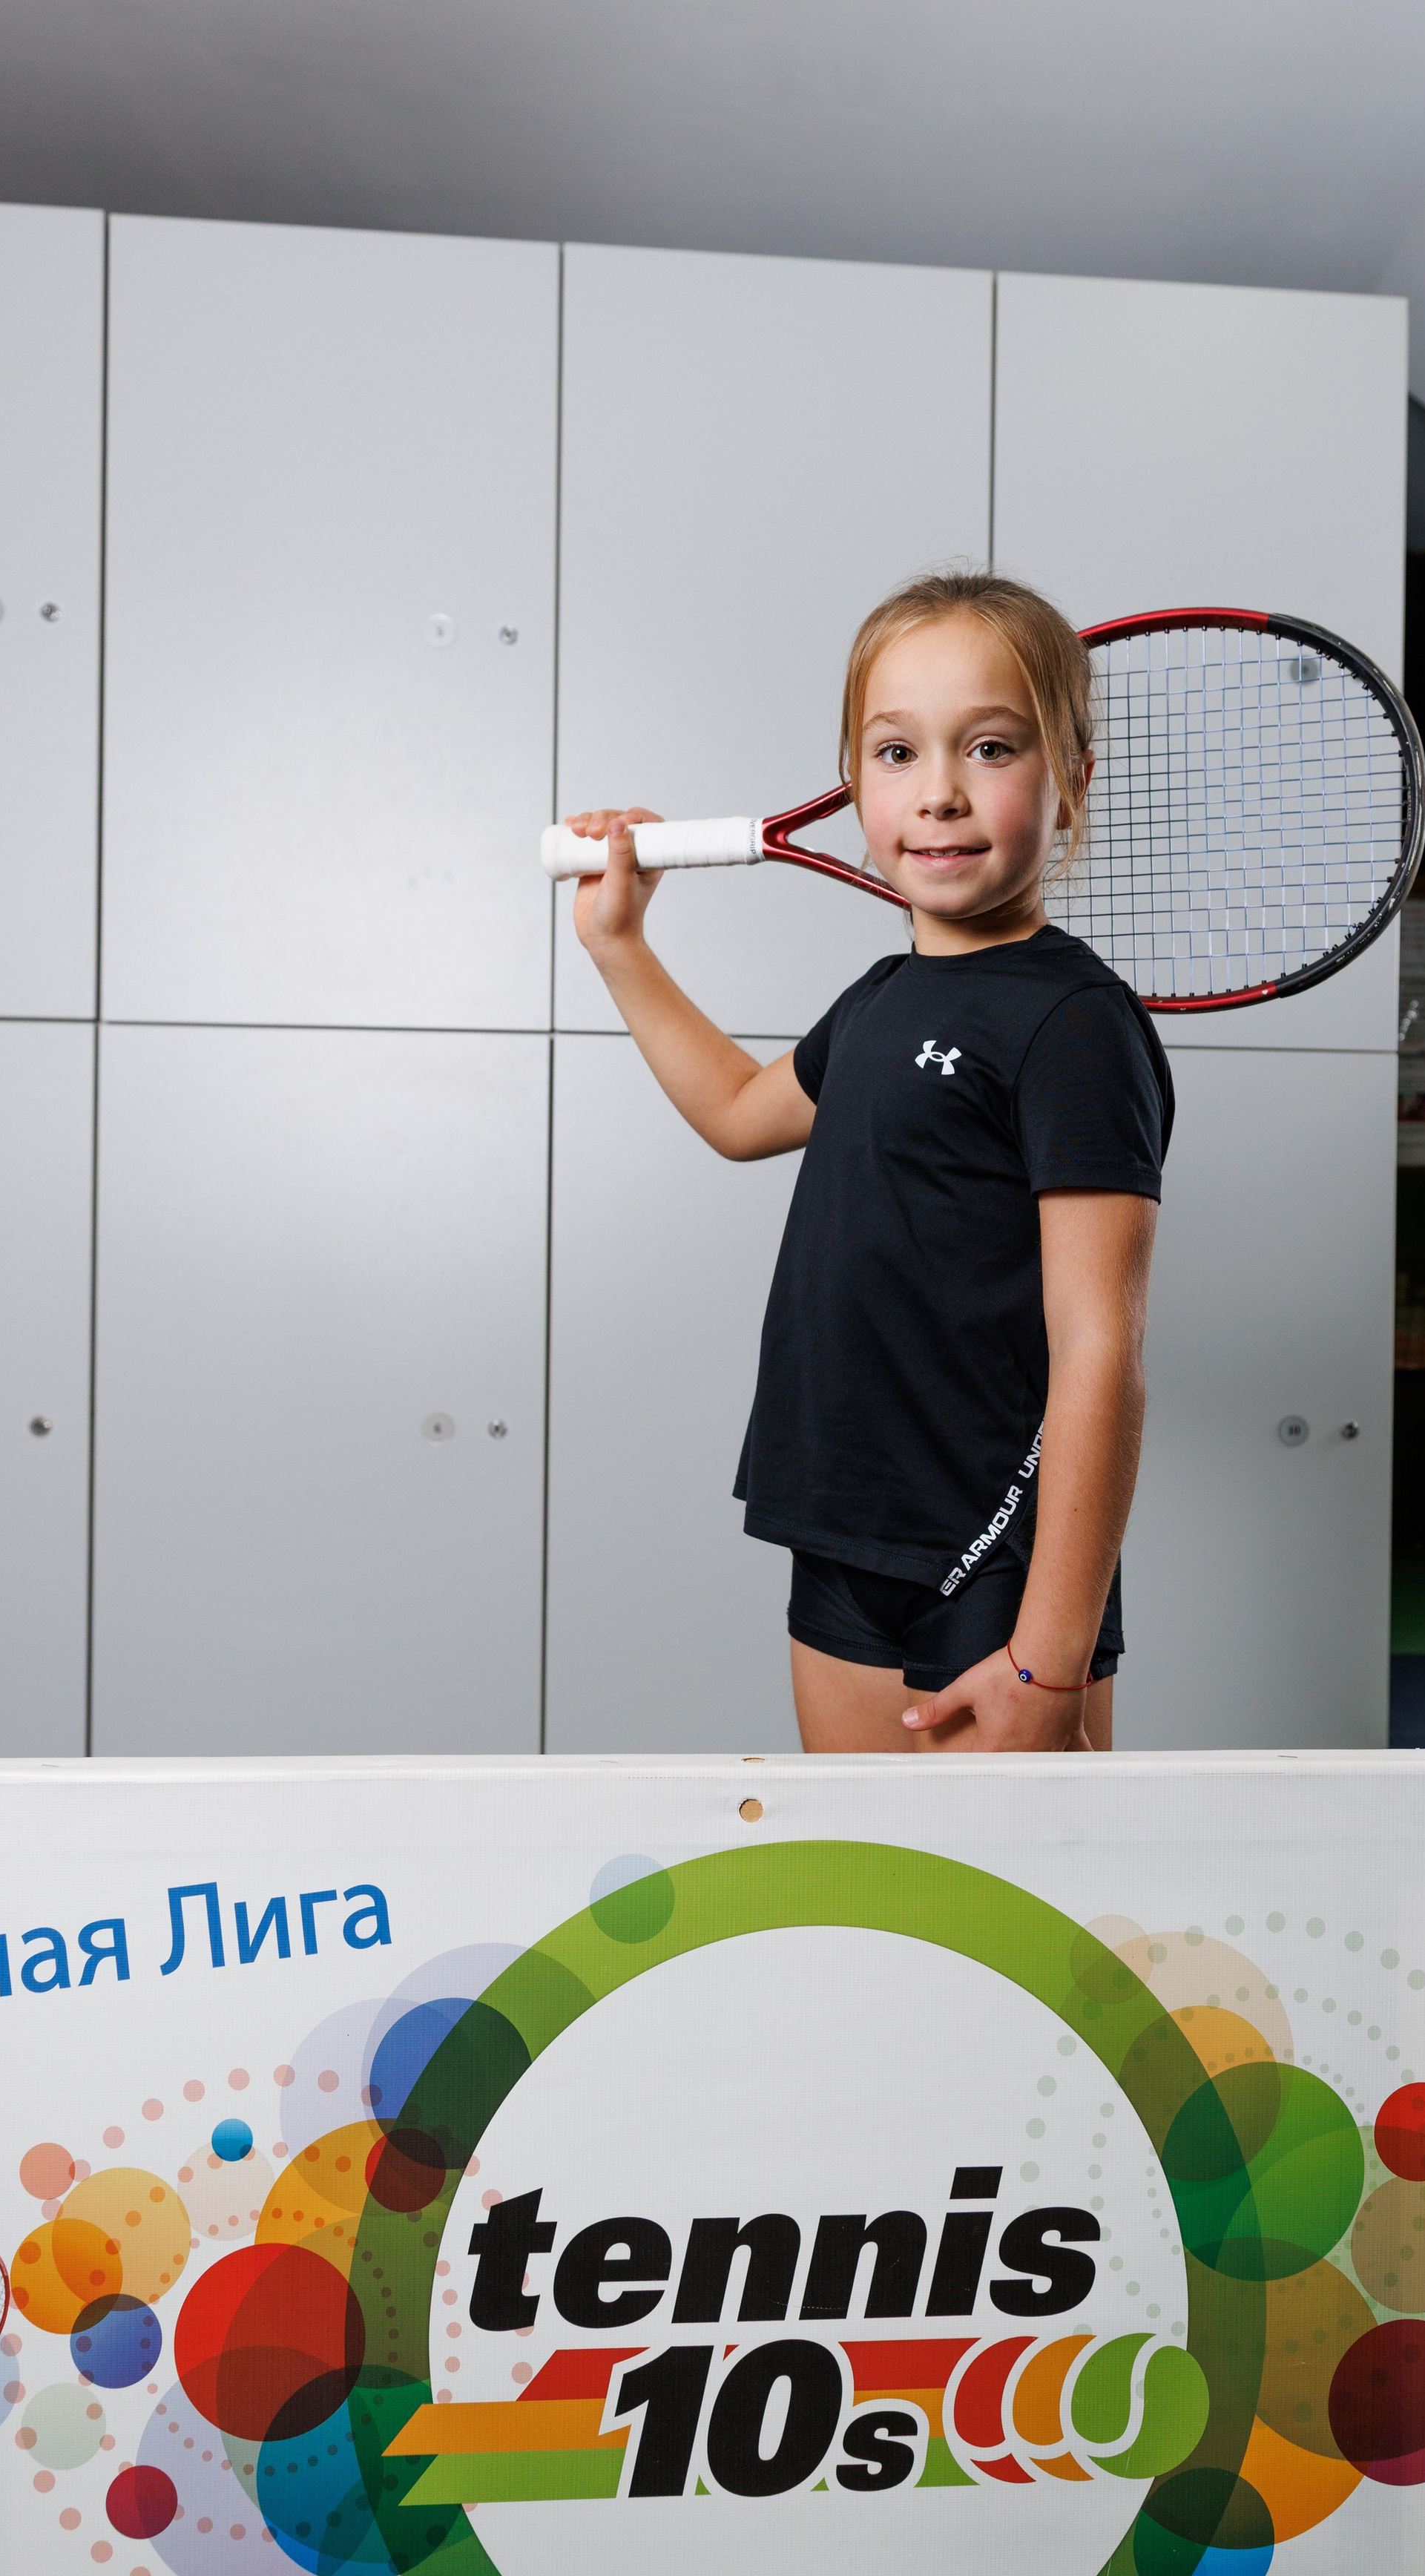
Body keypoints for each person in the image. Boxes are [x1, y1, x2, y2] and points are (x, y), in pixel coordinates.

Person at [565, 570, 1173, 1753]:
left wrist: (1049, 1662)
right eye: (897, 754)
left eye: (991, 747)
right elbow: (742, 1111)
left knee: (1021, 1929)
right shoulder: (884, 999)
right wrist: (619, 945)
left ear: (1070, 786)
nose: (940, 793)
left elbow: (1103, 1348)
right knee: (878, 1913)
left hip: (1001, 1560)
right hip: (845, 1530)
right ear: (855, 786)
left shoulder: (1076, 1026)